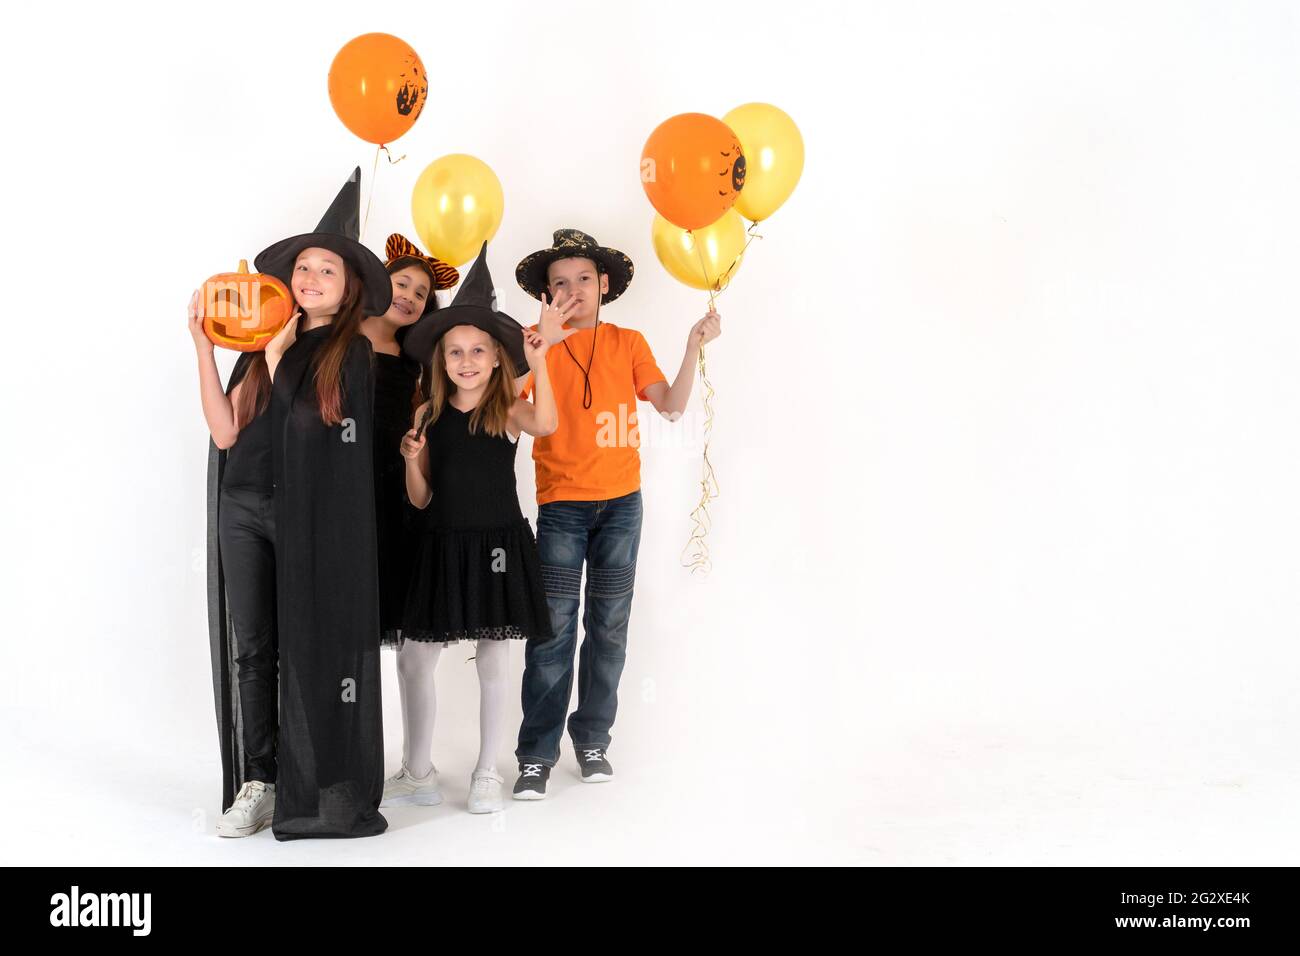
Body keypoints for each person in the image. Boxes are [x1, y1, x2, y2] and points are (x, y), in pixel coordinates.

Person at [510, 228, 721, 799]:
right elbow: (509, 414)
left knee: (608, 628)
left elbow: (672, 409)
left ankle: (594, 737)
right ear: (546, 294)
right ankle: (535, 754)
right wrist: (545, 348)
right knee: (552, 630)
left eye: (583, 279)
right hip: (561, 505)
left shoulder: (628, 342)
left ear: (604, 285)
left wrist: (693, 346)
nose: (573, 290)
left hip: (622, 504)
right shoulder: (533, 342)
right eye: (560, 283)